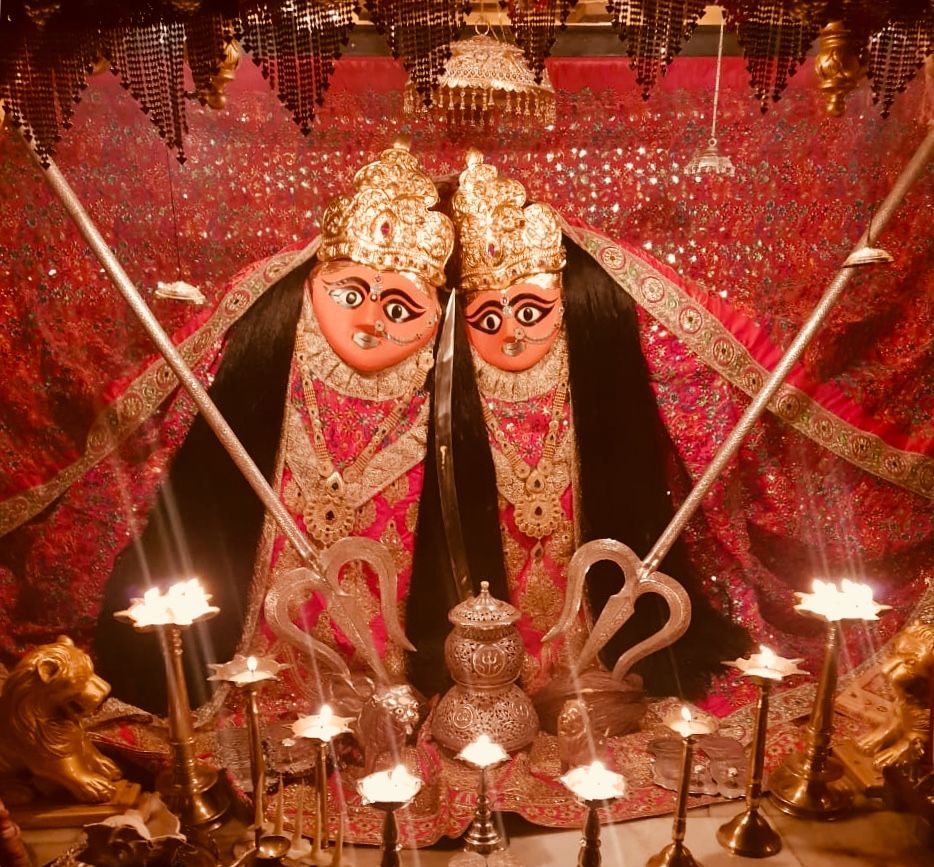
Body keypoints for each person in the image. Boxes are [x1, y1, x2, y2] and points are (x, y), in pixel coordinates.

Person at [93, 142, 454, 714]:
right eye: (350, 294)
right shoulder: (273, 358)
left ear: (435, 315)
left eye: (399, 308)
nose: (367, 322)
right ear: (313, 285)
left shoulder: (444, 389)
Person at [407, 151, 747, 703]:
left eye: (532, 312)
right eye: (489, 320)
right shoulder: (454, 398)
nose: (512, 336)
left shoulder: (589, 383)